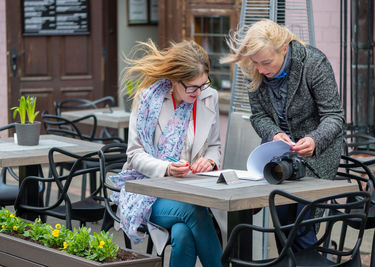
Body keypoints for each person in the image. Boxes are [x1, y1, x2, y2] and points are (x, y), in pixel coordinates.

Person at [221, 19, 345, 252]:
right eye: (256, 63)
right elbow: (259, 116)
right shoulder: (254, 68)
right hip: (278, 157)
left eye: (266, 62)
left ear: (284, 48)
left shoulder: (313, 63)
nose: (260, 70)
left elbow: (334, 116)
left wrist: (314, 140)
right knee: (282, 225)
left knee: (303, 226)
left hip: (317, 155)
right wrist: (274, 133)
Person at [109, 40, 222, 267]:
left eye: (203, 85)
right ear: (174, 79)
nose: (198, 92)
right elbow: (134, 154)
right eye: (191, 87)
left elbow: (214, 146)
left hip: (193, 188)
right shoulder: (147, 99)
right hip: (149, 189)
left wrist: (210, 161)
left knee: (183, 234)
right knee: (193, 210)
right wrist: (167, 168)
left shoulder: (210, 97)